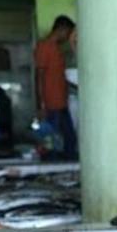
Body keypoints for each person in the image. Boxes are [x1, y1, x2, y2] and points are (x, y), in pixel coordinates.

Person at [34, 15, 77, 158]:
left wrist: (76, 87)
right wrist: (41, 105)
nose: (68, 37)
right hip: (51, 104)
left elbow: (59, 77)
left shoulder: (57, 50)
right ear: (62, 29)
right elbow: (39, 77)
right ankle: (51, 169)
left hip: (62, 103)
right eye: (68, 33)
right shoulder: (44, 47)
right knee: (52, 142)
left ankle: (67, 168)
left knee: (69, 139)